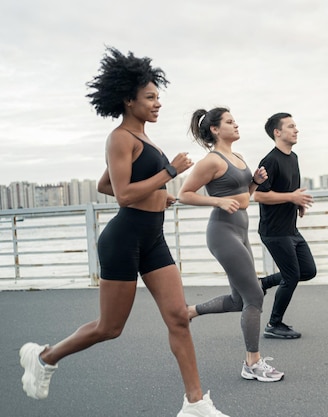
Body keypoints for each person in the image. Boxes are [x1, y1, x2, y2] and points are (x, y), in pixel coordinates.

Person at [18, 47, 229, 417]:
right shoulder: (120, 138)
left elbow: (106, 184)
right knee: (110, 327)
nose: (157, 104)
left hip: (152, 238)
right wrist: (169, 174)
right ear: (128, 100)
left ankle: (196, 404)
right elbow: (121, 196)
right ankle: (45, 356)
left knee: (178, 316)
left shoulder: (146, 141)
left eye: (158, 97)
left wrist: (158, 196)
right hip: (123, 240)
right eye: (150, 97)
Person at [178, 107, 284, 382]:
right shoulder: (211, 161)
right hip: (222, 232)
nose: (236, 125)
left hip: (240, 229)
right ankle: (252, 363)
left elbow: (243, 199)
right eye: (229, 121)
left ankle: (190, 311)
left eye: (235, 120)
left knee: (240, 299)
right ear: (215, 129)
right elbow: (184, 194)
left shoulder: (237, 156)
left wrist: (254, 184)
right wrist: (217, 201)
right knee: (254, 297)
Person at [253, 113, 317, 339]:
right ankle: (273, 324)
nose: (296, 130)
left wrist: (298, 203)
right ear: (277, 132)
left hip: (290, 229)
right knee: (291, 277)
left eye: (296, 126)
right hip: (274, 231)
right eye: (291, 127)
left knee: (308, 271)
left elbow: (293, 190)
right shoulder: (269, 161)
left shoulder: (294, 157)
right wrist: (291, 198)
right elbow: (259, 196)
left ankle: (263, 283)